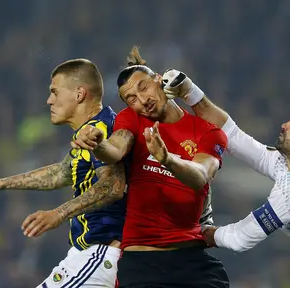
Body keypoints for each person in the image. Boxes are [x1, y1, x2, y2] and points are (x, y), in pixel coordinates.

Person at [72, 47, 229, 288]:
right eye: (131, 98)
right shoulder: (132, 119)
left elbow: (199, 177)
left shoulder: (208, 132)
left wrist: (167, 159)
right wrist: (98, 144)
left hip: (191, 257)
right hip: (142, 259)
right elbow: (115, 149)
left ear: (158, 79)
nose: (142, 100)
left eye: (143, 87)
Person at [0, 59, 127, 288]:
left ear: (79, 93)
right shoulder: (92, 128)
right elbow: (61, 173)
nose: (49, 100)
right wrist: (0, 183)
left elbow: (112, 186)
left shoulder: (99, 131)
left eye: (55, 92)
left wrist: (58, 214)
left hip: (101, 253)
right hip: (88, 253)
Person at [160, 68, 290, 252]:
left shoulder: (288, 194)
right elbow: (231, 134)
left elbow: (240, 238)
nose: (284, 126)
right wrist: (189, 91)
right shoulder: (283, 163)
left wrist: (200, 232)